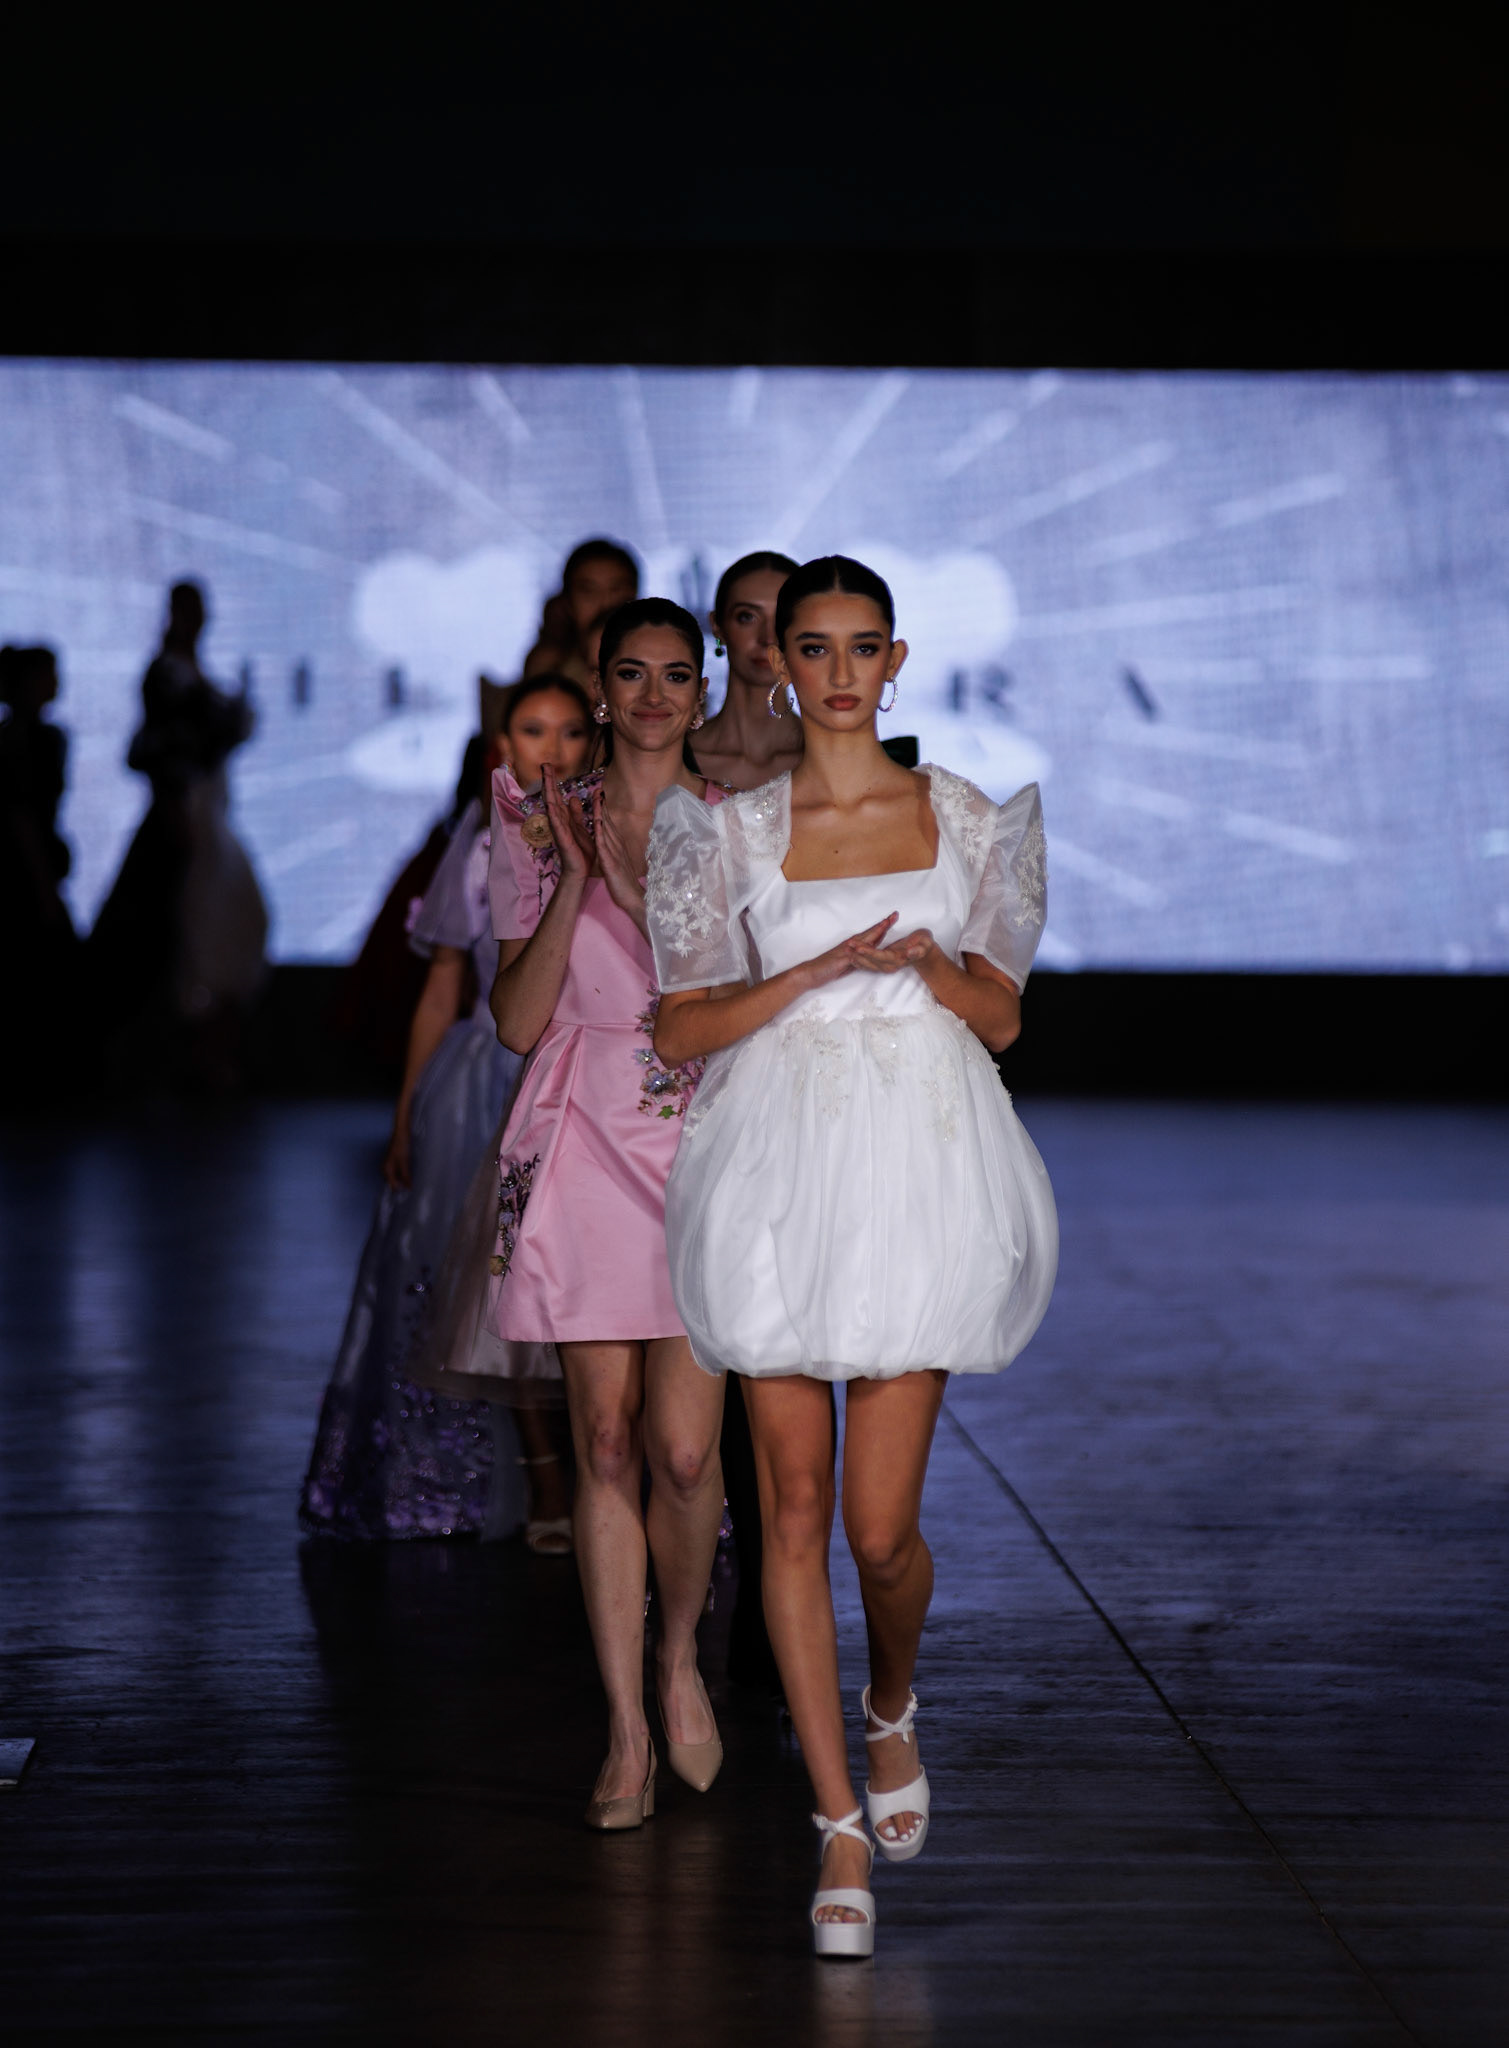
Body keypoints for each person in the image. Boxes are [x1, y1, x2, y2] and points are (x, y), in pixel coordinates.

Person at [645, 555, 1058, 1956]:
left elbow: (1000, 1018)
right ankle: (835, 1823)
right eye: (809, 645)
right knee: (793, 1510)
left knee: (881, 1533)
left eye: (859, 646)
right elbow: (677, 1030)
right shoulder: (728, 832)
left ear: (895, 661)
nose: (834, 671)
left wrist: (926, 970)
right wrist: (807, 975)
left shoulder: (965, 818)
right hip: (776, 1164)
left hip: (916, 1168)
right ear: (775, 657)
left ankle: (891, 1704)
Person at [486, 598, 727, 1830]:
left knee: (686, 1452)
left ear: (702, 687)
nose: (651, 695)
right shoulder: (538, 816)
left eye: (674, 674)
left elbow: (726, 991)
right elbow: (516, 1020)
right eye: (630, 672)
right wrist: (576, 876)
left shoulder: (733, 820)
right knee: (608, 1438)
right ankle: (627, 1721)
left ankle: (680, 1652)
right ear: (600, 679)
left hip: (696, 1128)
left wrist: (628, 884)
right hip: (583, 1121)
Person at [299, 679, 593, 1542]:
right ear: (500, 745)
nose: (551, 749)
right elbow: (441, 990)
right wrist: (405, 1117)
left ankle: (599, 1472)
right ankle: (545, 1483)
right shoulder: (479, 848)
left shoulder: (622, 834)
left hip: (586, 1077)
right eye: (531, 730)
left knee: (584, 1282)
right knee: (500, 1286)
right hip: (488, 1084)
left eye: (570, 731)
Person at [90, 580, 266, 1090]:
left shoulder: (188, 671)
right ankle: (180, 1058)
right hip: (184, 818)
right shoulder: (166, 675)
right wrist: (175, 808)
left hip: (207, 815)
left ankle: (206, 1055)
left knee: (225, 927)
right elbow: (163, 750)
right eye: (189, 609)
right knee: (183, 935)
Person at [0, 644, 79, 1093]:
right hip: (25, 876)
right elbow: (22, 816)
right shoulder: (24, 743)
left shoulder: (38, 739)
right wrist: (43, 883)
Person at [688, 551, 802, 792]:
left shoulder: (834, 758)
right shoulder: (674, 758)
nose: (768, 638)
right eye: (747, 617)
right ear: (717, 626)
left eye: (783, 619)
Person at [522, 540, 640, 688]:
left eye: (616, 590)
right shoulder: (551, 675)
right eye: (589, 592)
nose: (604, 604)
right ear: (568, 603)